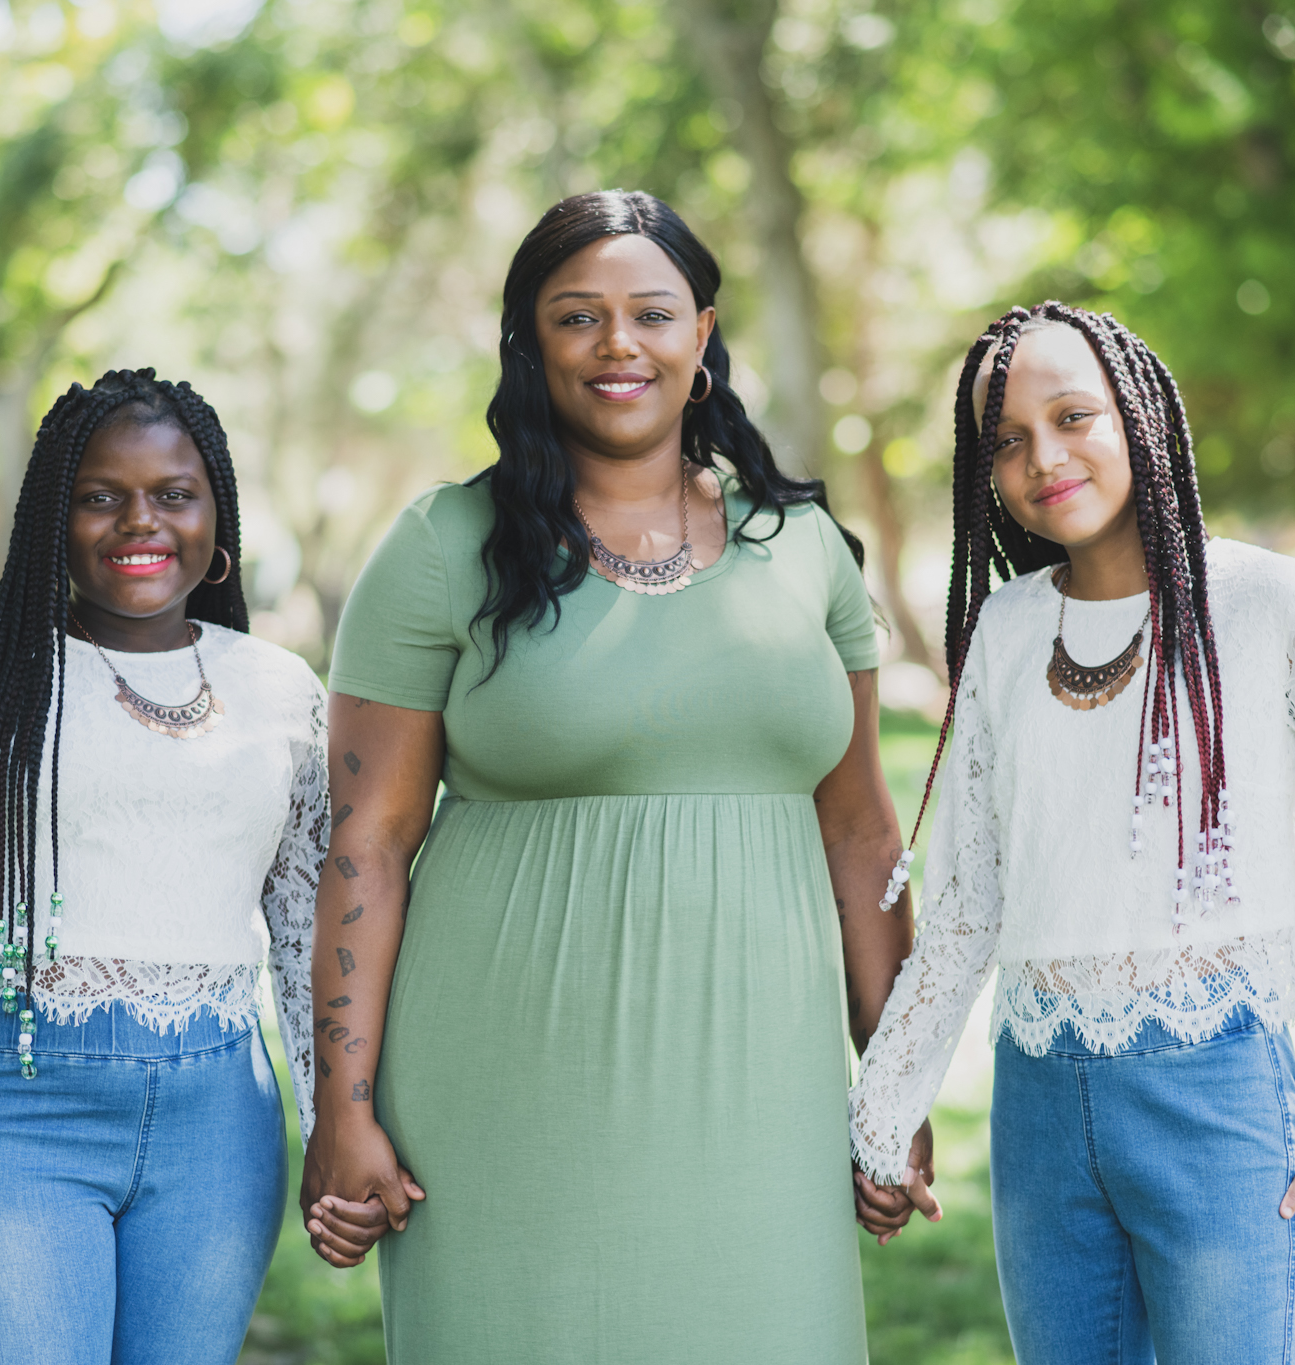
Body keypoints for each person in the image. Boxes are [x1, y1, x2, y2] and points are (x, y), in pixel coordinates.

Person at [300, 190, 927, 1363]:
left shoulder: (805, 552)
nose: (617, 345)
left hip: (764, 1101)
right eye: (575, 317)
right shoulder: (442, 546)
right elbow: (365, 847)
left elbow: (861, 839)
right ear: (528, 345)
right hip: (504, 1092)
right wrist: (341, 1108)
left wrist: (894, 1082)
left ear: (701, 334)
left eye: (649, 312)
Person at [849, 303, 1295, 1364]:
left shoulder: (1273, 606)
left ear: (1137, 415)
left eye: (1072, 416)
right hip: (1034, 1106)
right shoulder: (1002, 630)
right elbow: (963, 910)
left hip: (1217, 1098)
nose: (1043, 457)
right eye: (1005, 441)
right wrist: (884, 1108)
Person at [0, 369, 328, 1365]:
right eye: (101, 496)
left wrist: (332, 1127)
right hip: (8, 1114)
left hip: (220, 1132)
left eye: (173, 494)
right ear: (53, 519)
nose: (138, 522)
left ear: (215, 512)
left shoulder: (279, 692)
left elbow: (311, 938)